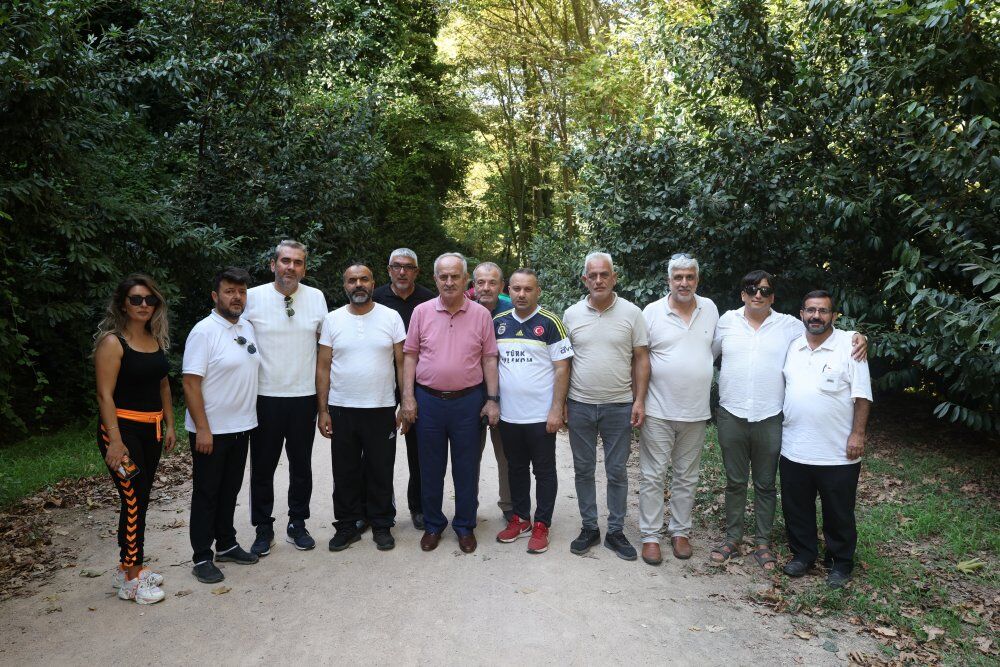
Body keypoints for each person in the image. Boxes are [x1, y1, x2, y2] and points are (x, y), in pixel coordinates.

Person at [709, 271, 867, 570]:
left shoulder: (789, 326)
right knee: (735, 481)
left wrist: (858, 336)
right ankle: (732, 537)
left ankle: (762, 542)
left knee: (766, 484)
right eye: (751, 289)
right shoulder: (726, 321)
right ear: (742, 294)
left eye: (764, 290)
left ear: (773, 296)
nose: (758, 294)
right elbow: (707, 353)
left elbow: (823, 328)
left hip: (770, 416)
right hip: (732, 413)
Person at [401, 252, 500, 554]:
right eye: (443, 276)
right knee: (430, 468)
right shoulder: (421, 312)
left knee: (466, 467)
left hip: (468, 402)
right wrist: (408, 397)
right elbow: (410, 355)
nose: (449, 281)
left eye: (455, 276)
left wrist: (492, 400)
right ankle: (433, 525)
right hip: (428, 402)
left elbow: (489, 358)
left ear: (465, 279)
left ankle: (465, 525)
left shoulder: (481, 315)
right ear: (435, 279)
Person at [780, 290, 872, 589]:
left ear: (833, 315)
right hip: (794, 447)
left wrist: (857, 434)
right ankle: (803, 555)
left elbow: (862, 396)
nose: (816, 316)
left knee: (839, 511)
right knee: (797, 508)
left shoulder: (850, 346)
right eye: (810, 310)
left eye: (822, 311)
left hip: (837, 451)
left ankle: (840, 562)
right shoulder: (793, 346)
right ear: (801, 314)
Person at [94, 274, 176, 605]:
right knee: (133, 500)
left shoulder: (154, 339)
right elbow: (104, 395)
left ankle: (126, 567)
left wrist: (170, 424)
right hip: (121, 434)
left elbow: (163, 384)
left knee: (139, 500)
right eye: (136, 299)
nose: (144, 305)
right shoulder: (113, 343)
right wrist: (115, 442)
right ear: (123, 304)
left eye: (149, 299)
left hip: (151, 432)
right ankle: (133, 579)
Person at [563, 252, 649, 560]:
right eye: (593, 275)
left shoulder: (632, 313)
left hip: (619, 405)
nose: (598, 280)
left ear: (614, 278)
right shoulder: (571, 314)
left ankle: (615, 531)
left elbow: (641, 358)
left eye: (604, 274)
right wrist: (561, 402)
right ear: (584, 279)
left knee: (617, 471)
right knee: (584, 469)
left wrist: (639, 400)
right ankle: (590, 527)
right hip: (580, 404)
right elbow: (563, 362)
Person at [243, 240, 328, 556]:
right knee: (262, 468)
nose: (291, 267)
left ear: (304, 268)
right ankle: (263, 528)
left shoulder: (316, 298)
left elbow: (325, 348)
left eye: (298, 262)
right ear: (273, 264)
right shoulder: (252, 298)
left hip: (303, 396)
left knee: (301, 466)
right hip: (264, 396)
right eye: (285, 261)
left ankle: (297, 523)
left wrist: (324, 403)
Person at [316, 264, 406, 552]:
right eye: (352, 280)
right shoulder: (332, 320)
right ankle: (347, 525)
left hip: (381, 407)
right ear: (345, 286)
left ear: (373, 283)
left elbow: (402, 363)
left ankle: (381, 524)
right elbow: (323, 366)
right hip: (342, 407)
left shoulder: (391, 317)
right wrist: (323, 410)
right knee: (345, 471)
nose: (358, 284)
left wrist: (405, 403)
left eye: (364, 279)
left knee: (381, 469)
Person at [638, 253, 719, 565]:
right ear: (669, 280)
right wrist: (638, 400)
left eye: (690, 277)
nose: (684, 283)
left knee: (687, 476)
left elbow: (711, 351)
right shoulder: (652, 312)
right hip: (658, 408)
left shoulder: (710, 309)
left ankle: (680, 531)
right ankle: (650, 536)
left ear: (697, 279)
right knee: (653, 475)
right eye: (678, 277)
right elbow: (640, 358)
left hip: (695, 410)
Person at [183, 268, 261, 584]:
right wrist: (203, 428)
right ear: (216, 296)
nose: (236, 297)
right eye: (229, 291)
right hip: (211, 431)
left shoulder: (246, 327)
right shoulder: (204, 331)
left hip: (241, 426)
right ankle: (202, 556)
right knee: (207, 493)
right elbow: (190, 383)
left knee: (230, 490)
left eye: (241, 291)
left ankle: (226, 544)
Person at [493, 269, 573, 554]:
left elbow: (562, 368)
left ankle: (542, 524)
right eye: (516, 288)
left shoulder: (550, 322)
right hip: (509, 415)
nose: (522, 294)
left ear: (538, 291)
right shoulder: (498, 323)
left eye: (528, 289)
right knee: (515, 468)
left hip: (540, 416)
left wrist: (556, 409)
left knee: (544, 470)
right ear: (508, 291)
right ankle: (520, 519)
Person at [373, 248, 436, 530]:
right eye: (396, 266)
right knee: (377, 451)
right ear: (388, 270)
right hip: (380, 382)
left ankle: (419, 506)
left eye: (408, 267)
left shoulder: (429, 300)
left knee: (419, 451)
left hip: (417, 383)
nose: (402, 272)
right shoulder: (375, 299)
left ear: (416, 272)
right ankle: (377, 509)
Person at [472, 261, 514, 521]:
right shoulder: (464, 308)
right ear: (473, 285)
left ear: (502, 286)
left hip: (506, 394)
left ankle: (510, 505)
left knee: (507, 455)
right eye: (481, 282)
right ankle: (468, 506)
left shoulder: (513, 309)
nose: (486, 288)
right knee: (469, 455)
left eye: (492, 282)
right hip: (471, 393)